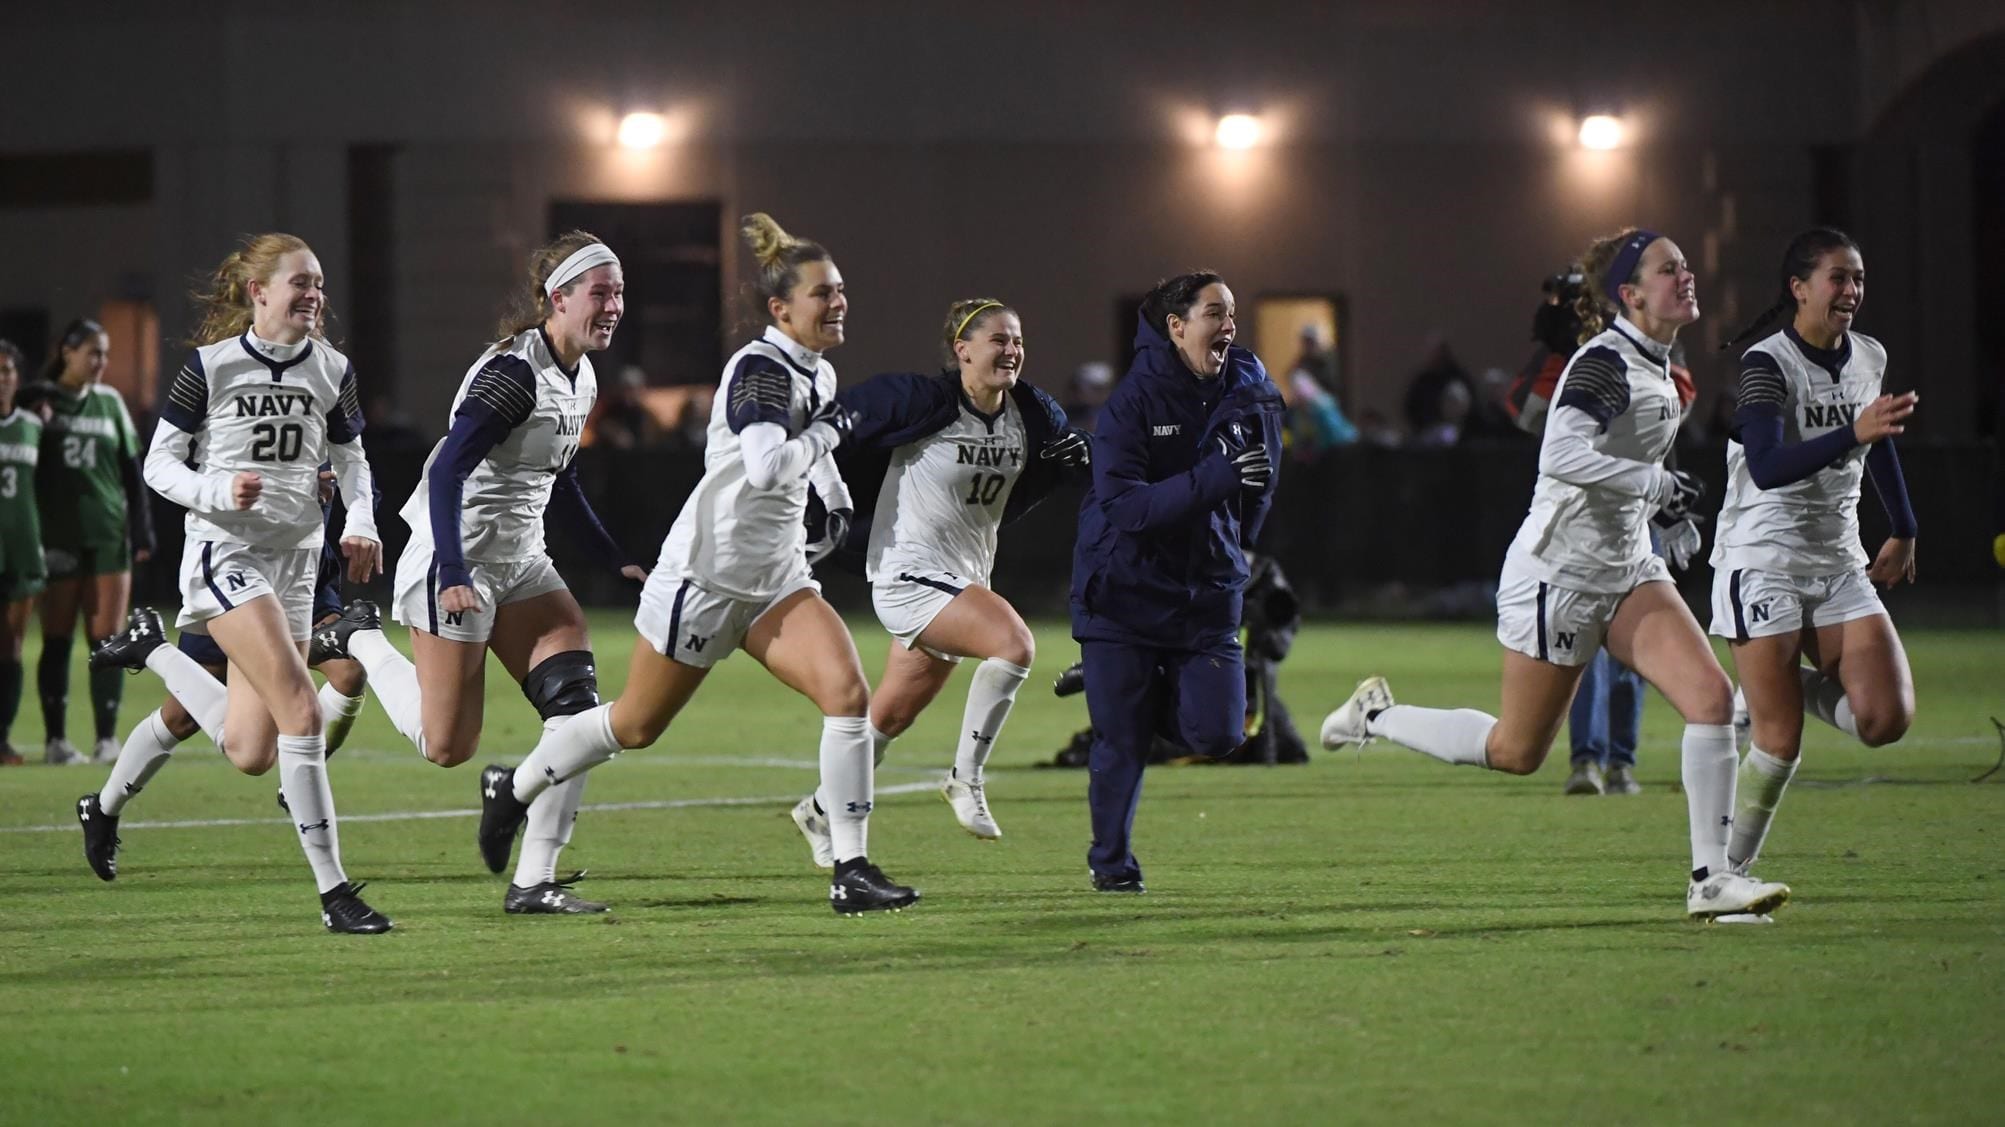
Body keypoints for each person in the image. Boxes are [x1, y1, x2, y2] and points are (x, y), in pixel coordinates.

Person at [1319, 228, 1791, 921]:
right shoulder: (1604, 362)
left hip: (1627, 564)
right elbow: (1563, 456)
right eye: (1669, 269)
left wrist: (1663, 519)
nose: (1686, 276)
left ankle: (1711, 879)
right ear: (1629, 294)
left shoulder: (1661, 363)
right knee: (1516, 750)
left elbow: (1619, 476)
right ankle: (1375, 716)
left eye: (1686, 266)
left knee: (1712, 699)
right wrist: (1655, 485)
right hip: (1558, 574)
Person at [470, 213, 920, 915]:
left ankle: (850, 866)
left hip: (775, 579)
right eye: (821, 294)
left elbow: (812, 449)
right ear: (780, 309)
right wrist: (836, 430)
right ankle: (515, 786)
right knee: (634, 727)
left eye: (839, 290)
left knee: (848, 697)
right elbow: (771, 463)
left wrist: (832, 496)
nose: (837, 303)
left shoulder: (816, 369)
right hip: (704, 579)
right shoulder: (760, 370)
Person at [316, 230, 641, 915]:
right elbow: (447, 470)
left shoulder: (580, 371)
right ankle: (359, 636)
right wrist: (455, 568)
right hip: (454, 558)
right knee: (446, 745)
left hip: (521, 561)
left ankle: (533, 882)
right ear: (557, 297)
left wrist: (616, 555)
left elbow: (563, 475)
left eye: (618, 292)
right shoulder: (512, 374)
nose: (613, 305)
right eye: (599, 291)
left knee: (577, 715)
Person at [80, 232, 389, 933]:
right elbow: (161, 464)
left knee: (253, 751)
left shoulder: (332, 367)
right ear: (258, 292)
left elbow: (353, 457)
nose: (313, 295)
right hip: (228, 554)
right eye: (299, 283)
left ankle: (150, 650)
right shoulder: (211, 367)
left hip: (299, 561)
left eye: (318, 283)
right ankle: (335, 892)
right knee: (304, 712)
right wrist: (216, 489)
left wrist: (361, 518)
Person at [783, 297, 1088, 857]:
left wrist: (1068, 465)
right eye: (997, 339)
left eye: (1017, 339)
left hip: (964, 575)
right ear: (962, 350)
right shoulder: (927, 401)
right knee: (1014, 645)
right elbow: (850, 421)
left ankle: (820, 810)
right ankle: (965, 779)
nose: (1012, 350)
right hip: (909, 572)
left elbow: (1024, 490)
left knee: (888, 718)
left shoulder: (1032, 412)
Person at [1707, 228, 1919, 903]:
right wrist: (1851, 432)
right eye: (1836, 277)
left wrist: (1904, 526)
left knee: (1885, 718)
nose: (1850, 290)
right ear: (1798, 288)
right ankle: (1722, 877)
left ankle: (1765, 682)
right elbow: (1767, 468)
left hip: (1836, 560)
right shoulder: (1764, 365)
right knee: (1778, 743)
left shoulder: (1869, 354)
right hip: (1761, 557)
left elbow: (1876, 439)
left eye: (1856, 278)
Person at [1071, 270, 1285, 893]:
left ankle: (1124, 689)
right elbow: (1126, 511)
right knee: (1122, 743)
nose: (1229, 326)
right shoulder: (1131, 404)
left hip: (1204, 596)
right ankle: (1112, 868)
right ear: (1176, 325)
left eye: (1231, 314)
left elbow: (1262, 482)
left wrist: (1236, 546)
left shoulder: (1251, 391)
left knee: (1220, 733)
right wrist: (1214, 482)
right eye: (1214, 313)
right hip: (1124, 593)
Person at [79, 473, 369, 876]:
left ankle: (299, 777)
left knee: (348, 670)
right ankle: (104, 806)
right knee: (181, 717)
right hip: (238, 573)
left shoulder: (330, 418)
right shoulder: (235, 422)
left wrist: (361, 518)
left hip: (303, 573)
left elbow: (356, 464)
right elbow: (174, 463)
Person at [31, 318, 154, 764]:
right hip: (58, 534)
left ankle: (106, 739)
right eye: (93, 353)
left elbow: (131, 471)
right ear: (68, 352)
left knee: (107, 637)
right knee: (58, 637)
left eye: (105, 353)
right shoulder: (41, 401)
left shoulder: (109, 402)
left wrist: (142, 530)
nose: (101, 362)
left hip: (107, 533)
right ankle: (56, 740)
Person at [0, 340, 46, 766]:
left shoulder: (33, 425)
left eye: (7, 371)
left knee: (13, 645)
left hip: (22, 549)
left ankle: (3, 738)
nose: (2, 379)